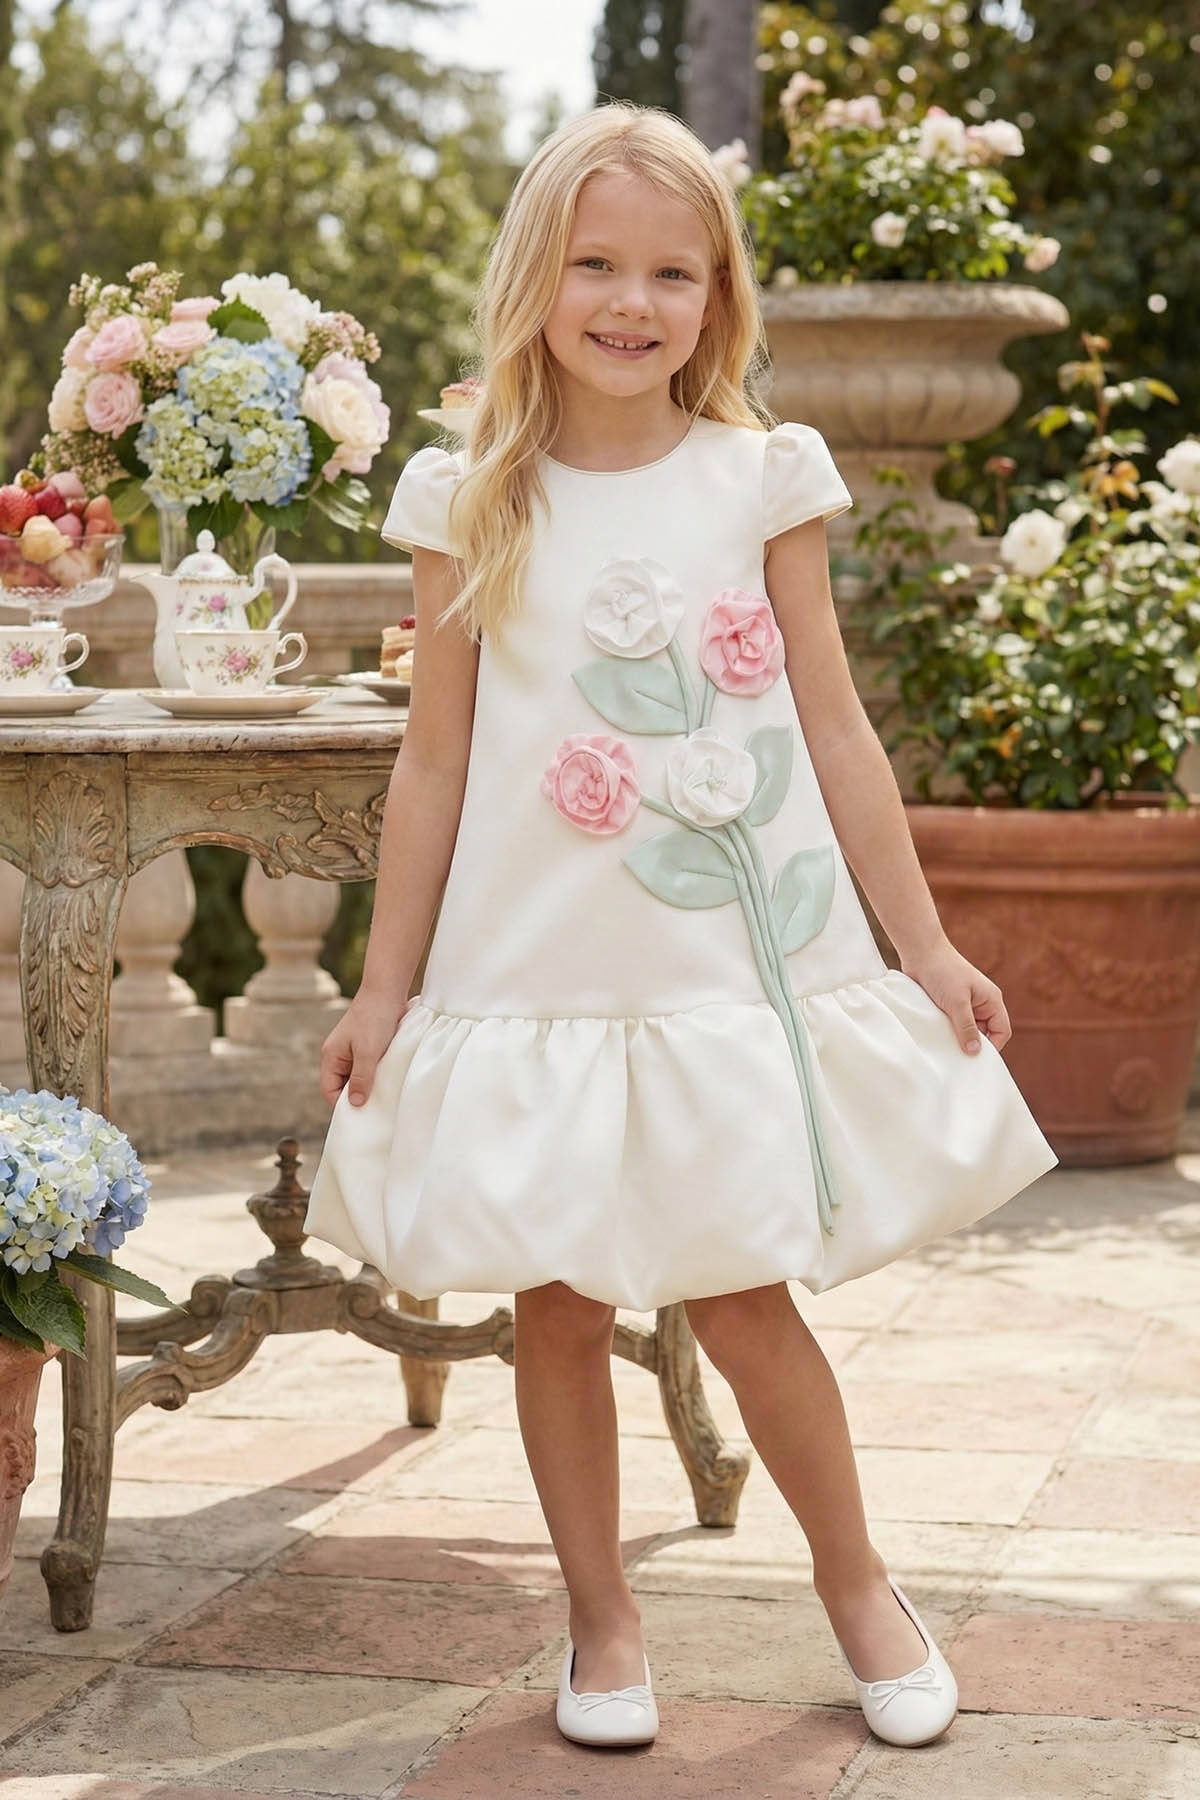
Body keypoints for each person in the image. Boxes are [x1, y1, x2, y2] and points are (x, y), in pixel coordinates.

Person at [304, 101, 1057, 1752]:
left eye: (672, 272)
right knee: (559, 1305)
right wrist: (385, 987)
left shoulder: (759, 477)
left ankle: (861, 1586)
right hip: (538, 965)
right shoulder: (467, 497)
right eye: (596, 265)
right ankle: (602, 1622)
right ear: (535, 277)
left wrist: (923, 945)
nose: (630, 302)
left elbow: (837, 728)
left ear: (718, 297)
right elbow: (432, 762)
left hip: (721, 968)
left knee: (742, 1294)